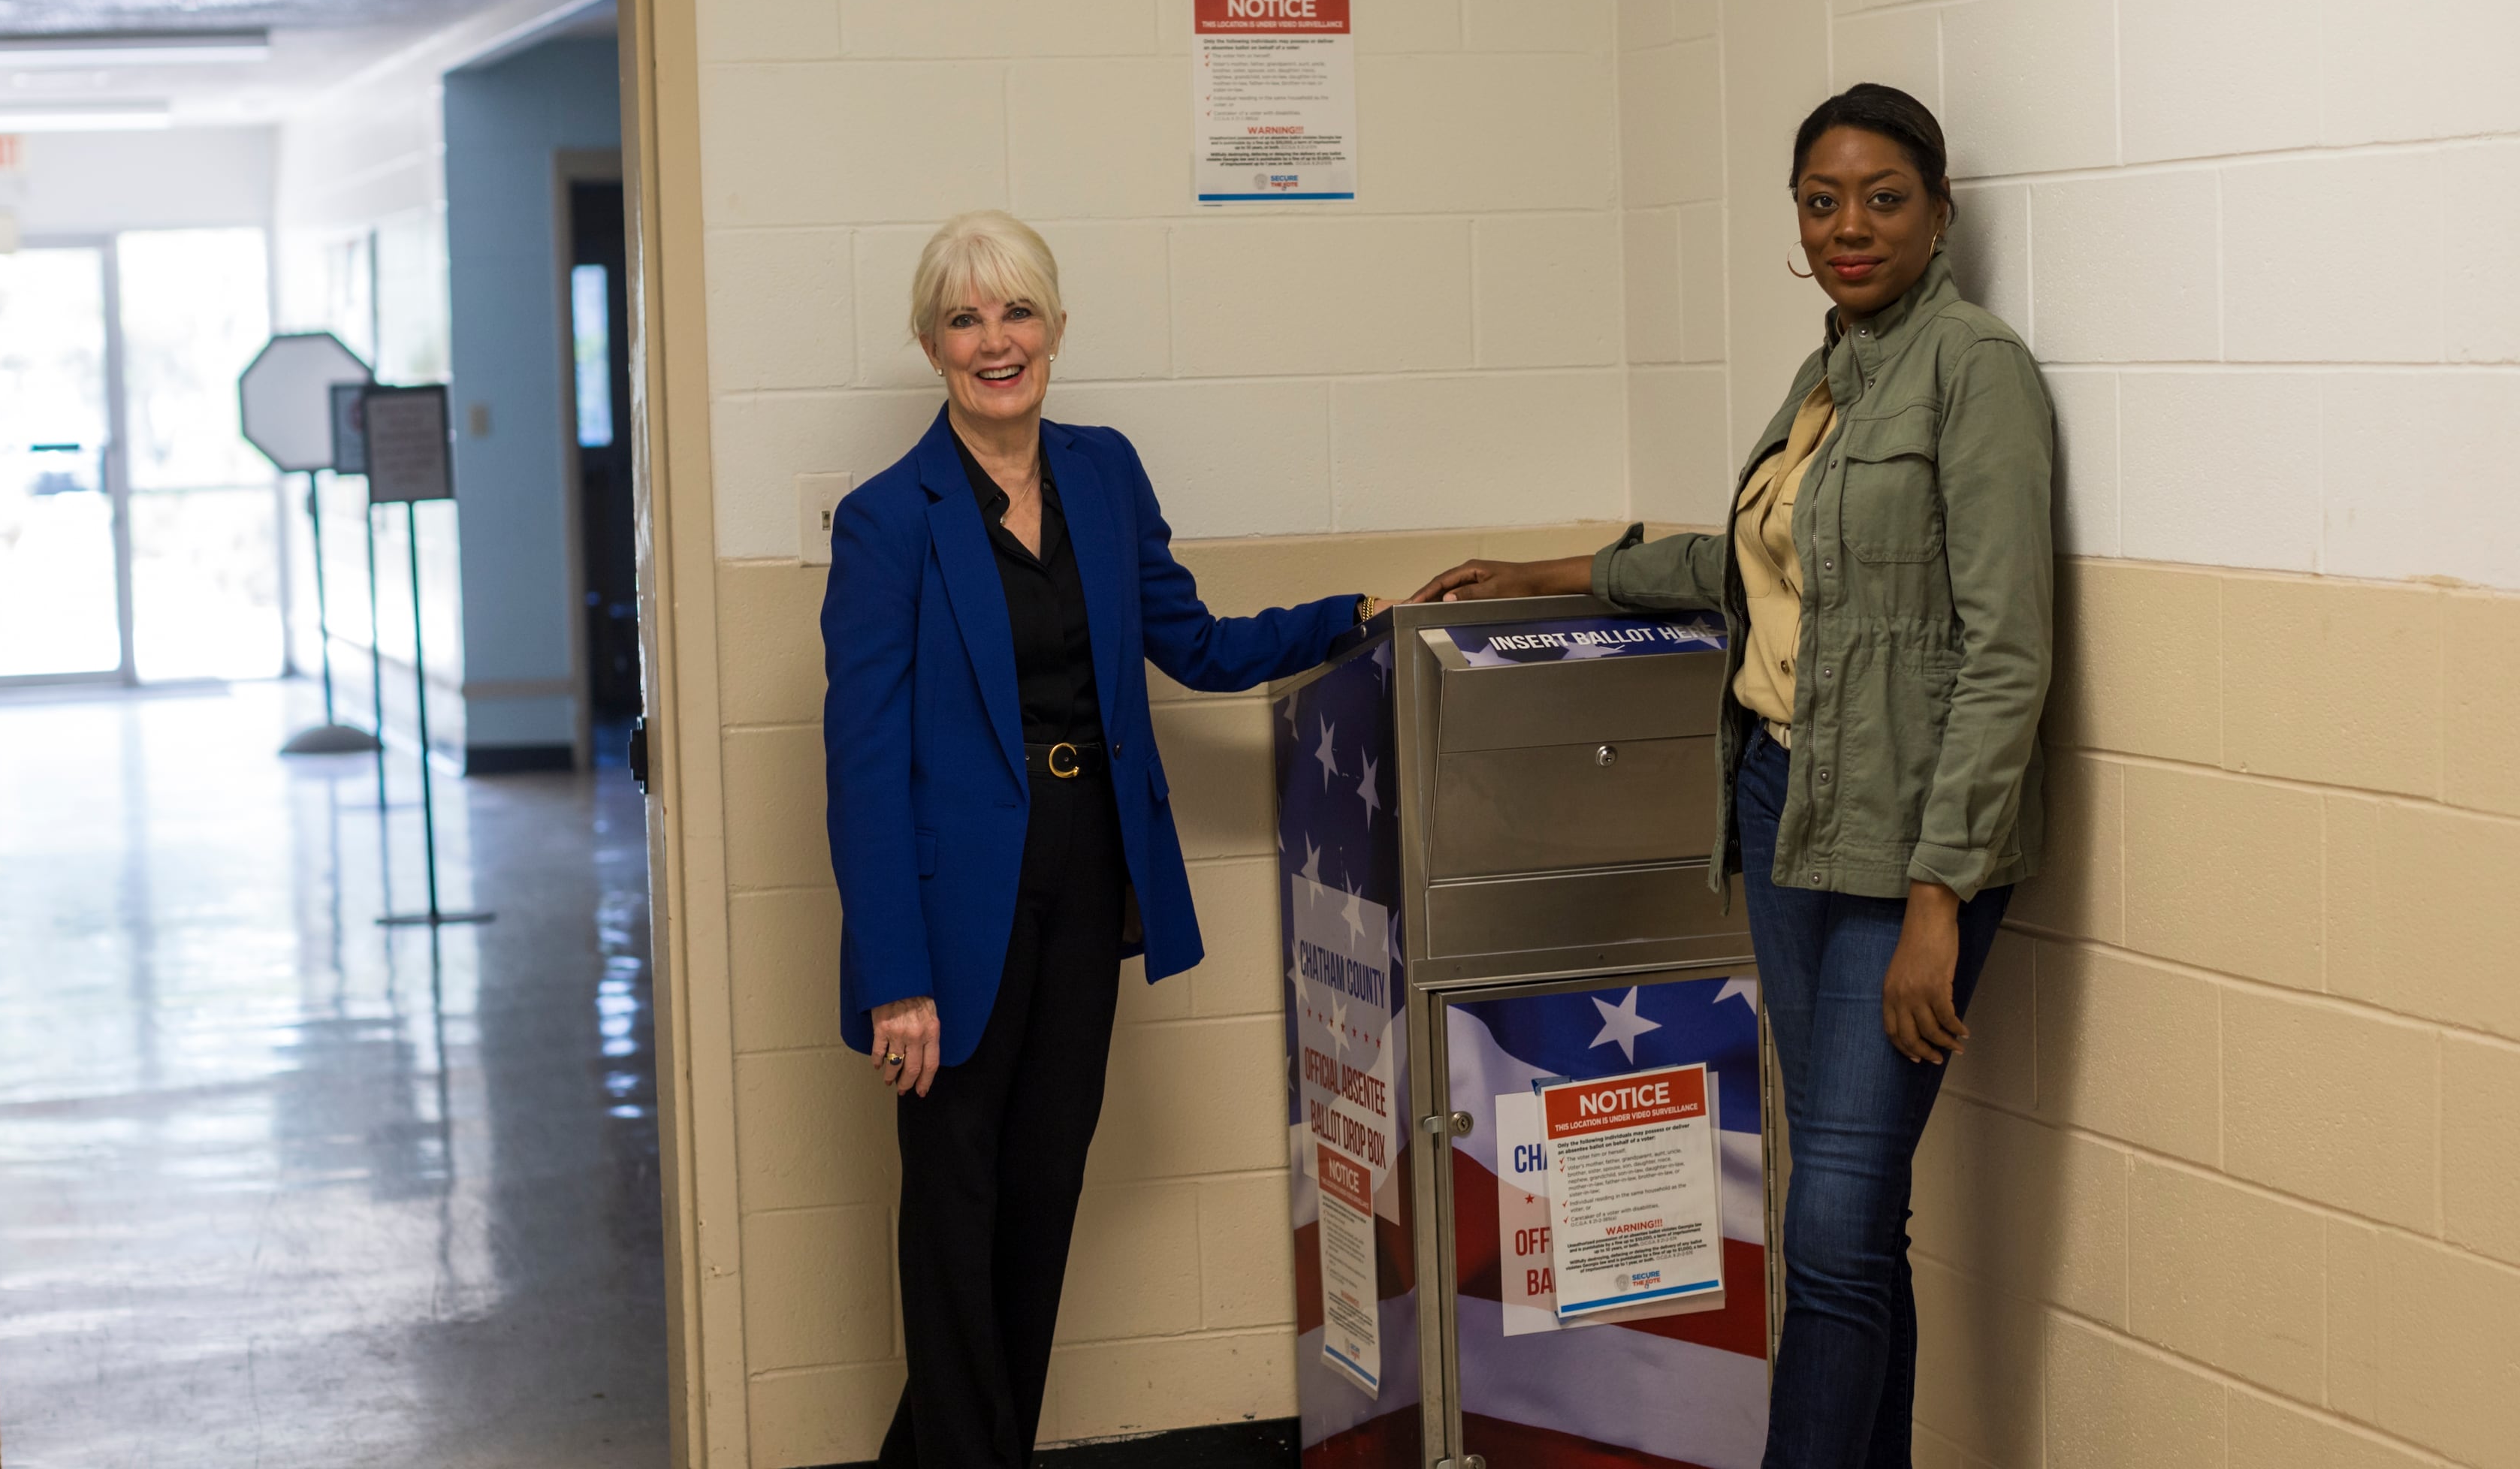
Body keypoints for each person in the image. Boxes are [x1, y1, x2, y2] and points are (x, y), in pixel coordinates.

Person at [1411, 84, 2054, 1469]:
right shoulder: (1834, 372)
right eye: (1821, 201)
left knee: (1827, 1235)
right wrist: (1555, 572)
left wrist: (1942, 894)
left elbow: (2007, 653)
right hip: (1781, 809)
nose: (1849, 226)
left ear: (1939, 212)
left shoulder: (1972, 368)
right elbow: (1751, 572)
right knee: (1850, 1224)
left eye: (1883, 197)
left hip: (1899, 853)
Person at [822, 210, 1390, 1469]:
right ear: (930, 346)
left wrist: (1344, 618)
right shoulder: (888, 519)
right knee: (955, 1203)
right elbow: (861, 765)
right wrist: (895, 976)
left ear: (1057, 329)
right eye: (965, 319)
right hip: (951, 906)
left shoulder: (1103, 469)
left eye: (1016, 312)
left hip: (1090, 873)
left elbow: (1190, 643)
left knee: (1042, 1191)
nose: (995, 340)